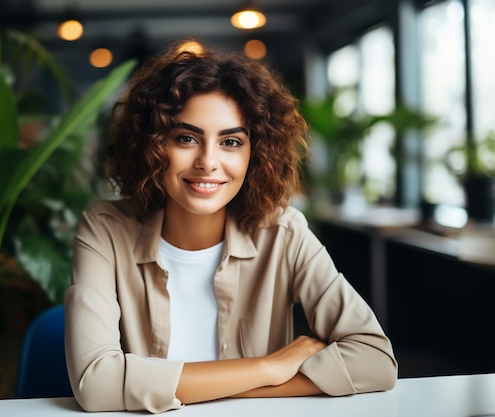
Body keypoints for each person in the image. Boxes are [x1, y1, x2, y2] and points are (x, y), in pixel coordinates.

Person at [64, 40, 397, 413]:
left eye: (231, 142)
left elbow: (375, 360)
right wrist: (267, 368)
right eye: (186, 138)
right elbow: (95, 384)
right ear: (153, 145)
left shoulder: (284, 232)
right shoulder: (105, 228)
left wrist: (213, 389)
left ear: (255, 154)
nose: (208, 161)